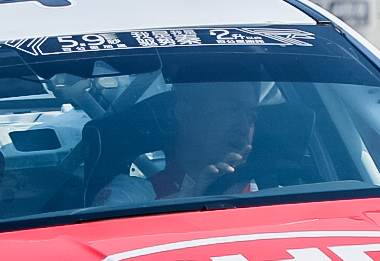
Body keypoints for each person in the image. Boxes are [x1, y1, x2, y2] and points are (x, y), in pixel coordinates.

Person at [94, 82, 259, 207]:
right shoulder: (130, 195)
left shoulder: (268, 192)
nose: (244, 128)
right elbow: (106, 233)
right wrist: (192, 199)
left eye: (251, 117)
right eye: (231, 111)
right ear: (185, 114)